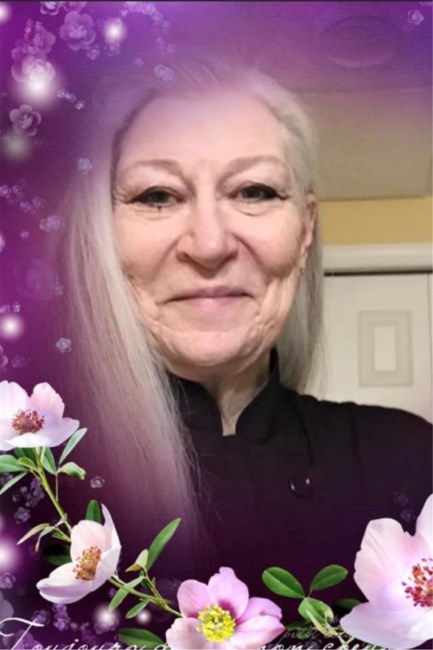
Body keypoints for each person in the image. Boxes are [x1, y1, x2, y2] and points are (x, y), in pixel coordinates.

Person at [39, 53, 431, 636]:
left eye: (254, 190)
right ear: (103, 233)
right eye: (157, 196)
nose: (209, 243)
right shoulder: (34, 489)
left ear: (305, 229)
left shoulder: (411, 461)